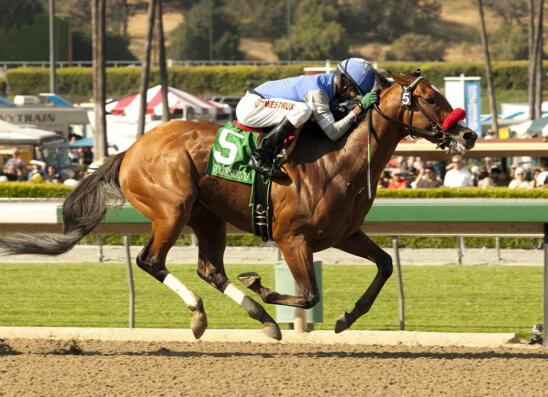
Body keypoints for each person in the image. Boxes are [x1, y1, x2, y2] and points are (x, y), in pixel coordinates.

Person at [235, 58, 379, 177]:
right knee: (302, 110)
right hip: (252, 106)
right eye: (353, 92)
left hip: (260, 103)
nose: (350, 97)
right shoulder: (318, 93)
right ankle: (260, 156)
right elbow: (333, 133)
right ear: (343, 81)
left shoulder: (327, 86)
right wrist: (358, 109)